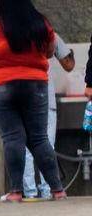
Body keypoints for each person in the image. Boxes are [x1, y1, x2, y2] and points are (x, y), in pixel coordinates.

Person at [0, 0, 66, 202]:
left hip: (0, 83)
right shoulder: (40, 22)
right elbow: (49, 51)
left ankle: (17, 191)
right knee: (39, 137)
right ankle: (57, 190)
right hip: (35, 83)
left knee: (13, 138)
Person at [22, 34, 74, 199]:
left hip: (21, 97)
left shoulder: (11, 32)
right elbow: (69, 65)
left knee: (25, 147)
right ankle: (47, 190)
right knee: (47, 145)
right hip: (45, 96)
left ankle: (29, 192)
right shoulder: (47, 32)